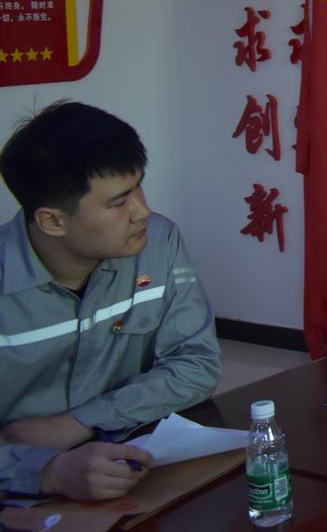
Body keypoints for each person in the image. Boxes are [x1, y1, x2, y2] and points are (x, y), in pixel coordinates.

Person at [0, 102, 221, 499]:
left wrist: (82, 421)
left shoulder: (159, 243)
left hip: (129, 467)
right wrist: (47, 472)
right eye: (119, 202)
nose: (143, 211)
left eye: (138, 186)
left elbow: (196, 364)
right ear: (53, 221)